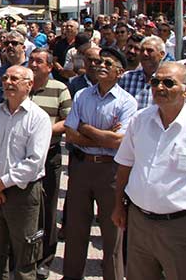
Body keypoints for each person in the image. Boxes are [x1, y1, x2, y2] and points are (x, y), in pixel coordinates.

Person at [112, 62, 186, 279]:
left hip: (181, 227)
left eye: (168, 82)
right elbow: (125, 164)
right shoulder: (140, 119)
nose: (159, 87)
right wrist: (118, 205)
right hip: (139, 223)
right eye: (155, 81)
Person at [62, 47, 136, 280]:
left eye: (108, 64)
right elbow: (70, 133)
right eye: (99, 62)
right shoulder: (82, 95)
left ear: (120, 72)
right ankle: (72, 275)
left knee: (112, 230)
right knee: (76, 227)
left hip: (110, 170)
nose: (101, 66)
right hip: (82, 166)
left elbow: (117, 142)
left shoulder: (127, 102)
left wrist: (85, 127)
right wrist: (101, 134)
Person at [0, 65, 52, 280]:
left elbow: (34, 162)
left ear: (29, 85)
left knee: (24, 254)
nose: (8, 82)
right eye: (5, 78)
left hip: (23, 193)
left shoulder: (38, 118)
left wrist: (3, 183)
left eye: (15, 79)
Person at [26, 49, 72, 279]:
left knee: (47, 209)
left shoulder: (60, 89)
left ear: (50, 67)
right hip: (22, 158)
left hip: (49, 155)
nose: (33, 64)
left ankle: (45, 259)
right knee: (24, 208)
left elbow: (69, 120)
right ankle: (23, 255)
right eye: (31, 60)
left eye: (39, 61)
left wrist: (41, 132)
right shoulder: (23, 85)